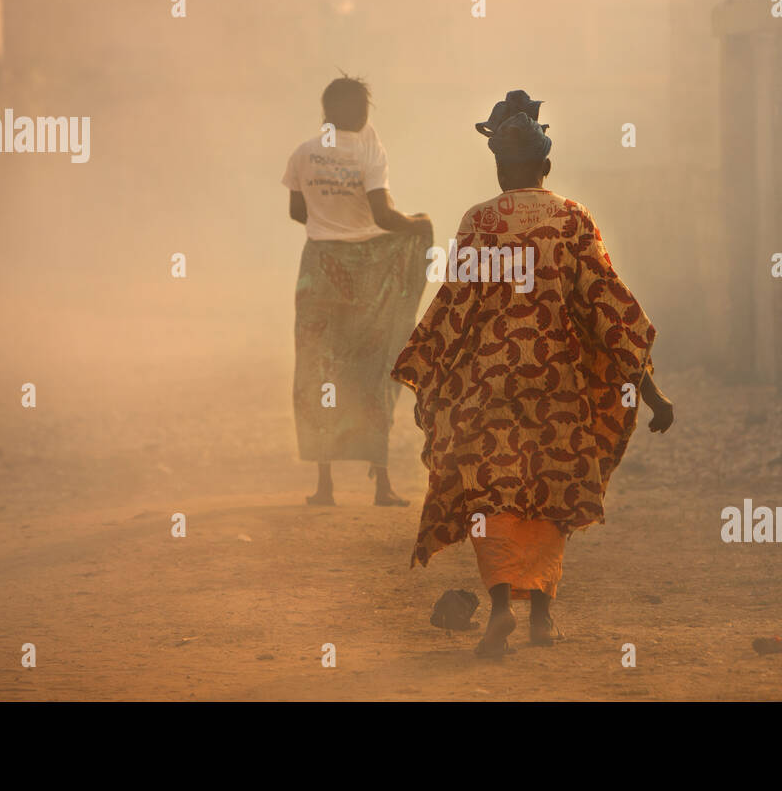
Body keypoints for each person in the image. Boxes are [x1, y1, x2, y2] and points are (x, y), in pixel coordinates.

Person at [391, 89, 674, 657]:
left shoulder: (478, 222)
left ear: (499, 167)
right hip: (558, 386)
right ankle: (542, 616)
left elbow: (452, 309)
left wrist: (421, 371)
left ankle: (499, 609)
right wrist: (652, 393)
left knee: (490, 494)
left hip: (486, 385)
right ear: (546, 166)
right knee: (550, 492)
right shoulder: (573, 220)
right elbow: (609, 310)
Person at [283, 75, 432, 506]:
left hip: (318, 271)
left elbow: (297, 212)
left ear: (326, 113)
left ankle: (324, 486)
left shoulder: (303, 153)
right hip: (370, 271)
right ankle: (381, 485)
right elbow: (384, 217)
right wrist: (417, 225)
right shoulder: (370, 151)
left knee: (318, 367)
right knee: (375, 363)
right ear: (364, 111)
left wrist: (331, 225)